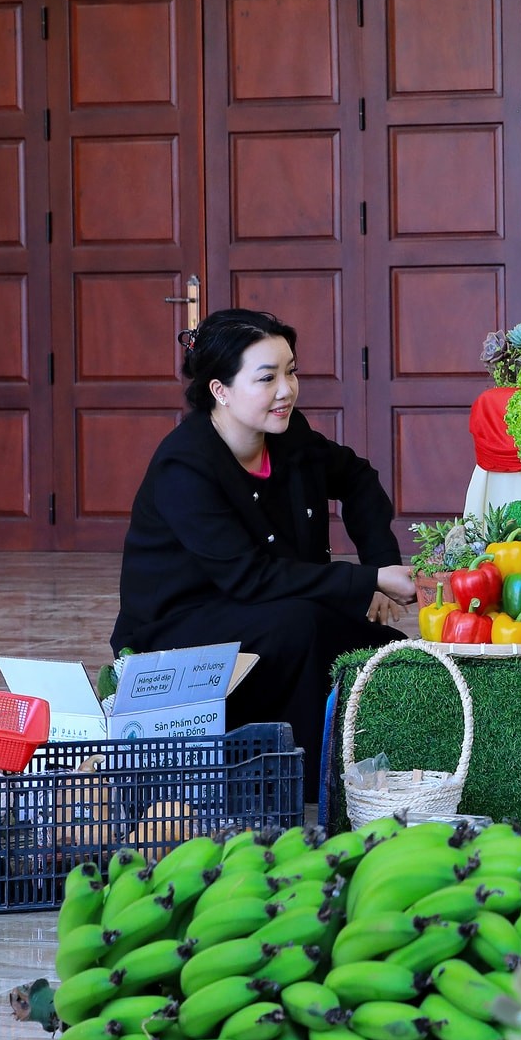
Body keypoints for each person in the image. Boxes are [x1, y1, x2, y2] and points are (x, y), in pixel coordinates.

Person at [112, 308, 413, 792]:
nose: (286, 390)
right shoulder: (184, 466)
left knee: (385, 652)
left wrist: (381, 563)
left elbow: (358, 479)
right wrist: (367, 582)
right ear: (220, 390)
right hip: (178, 633)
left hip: (275, 608)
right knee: (303, 625)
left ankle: (365, 767)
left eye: (291, 372)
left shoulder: (288, 435)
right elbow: (248, 577)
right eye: (267, 378)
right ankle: (301, 780)